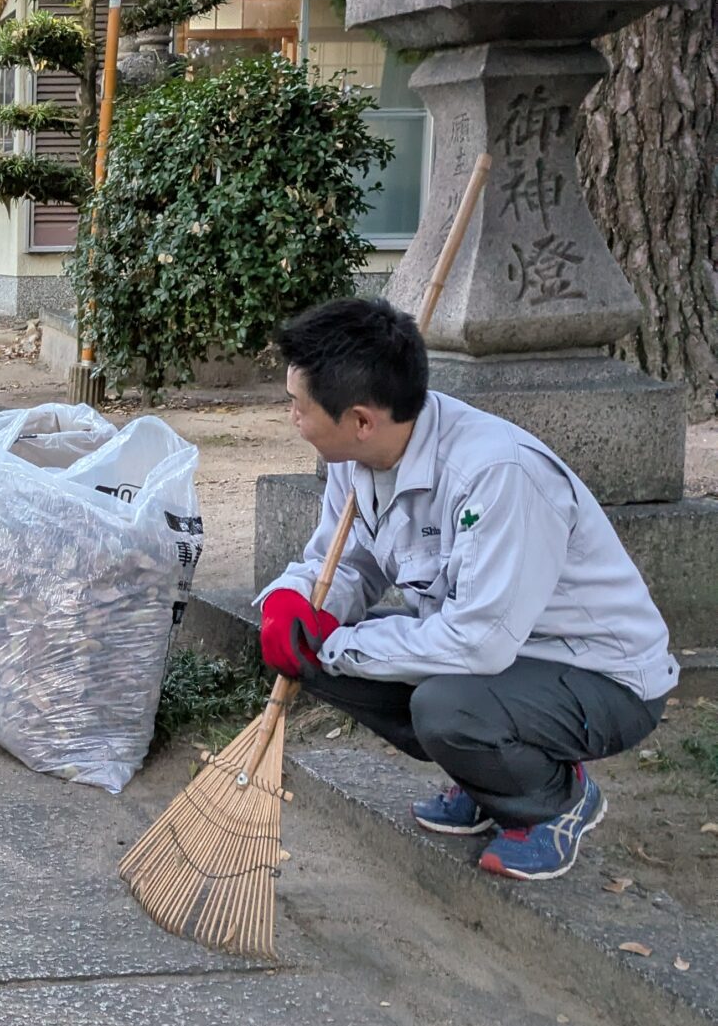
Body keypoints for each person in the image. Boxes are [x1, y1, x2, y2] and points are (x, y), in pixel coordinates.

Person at [259, 296, 676, 881]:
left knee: (443, 708)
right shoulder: (357, 459)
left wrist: (335, 644)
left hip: (599, 676)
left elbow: (479, 643)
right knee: (310, 646)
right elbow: (345, 563)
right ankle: (487, 779)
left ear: (360, 420)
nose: (292, 418)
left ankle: (553, 799)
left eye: (298, 406)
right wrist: (295, 600)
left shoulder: (496, 474)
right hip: (500, 660)